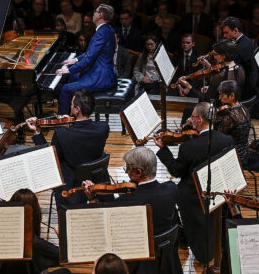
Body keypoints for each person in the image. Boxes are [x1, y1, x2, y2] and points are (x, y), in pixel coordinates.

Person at [155, 102, 234, 263]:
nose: (190, 120)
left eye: (192, 117)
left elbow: (176, 171)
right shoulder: (227, 140)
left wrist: (163, 149)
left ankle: (194, 248)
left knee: (172, 192)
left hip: (193, 195)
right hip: (219, 189)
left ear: (200, 119)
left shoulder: (189, 147)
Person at [84, 147, 182, 274]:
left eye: (128, 168)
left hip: (139, 261)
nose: (126, 172)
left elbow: (104, 226)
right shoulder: (171, 188)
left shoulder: (125, 202)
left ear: (138, 172)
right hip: (168, 255)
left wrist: (92, 199)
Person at [26, 89, 110, 208]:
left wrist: (37, 132)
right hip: (97, 180)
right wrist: (72, 124)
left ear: (77, 109)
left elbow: (50, 159)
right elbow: (83, 135)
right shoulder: (103, 128)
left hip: (72, 188)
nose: (70, 106)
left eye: (71, 104)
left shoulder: (61, 133)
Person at [56, 4, 117, 115]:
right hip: (105, 74)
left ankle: (62, 121)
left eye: (95, 12)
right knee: (73, 77)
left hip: (100, 77)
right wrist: (75, 60)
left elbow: (89, 58)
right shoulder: (107, 29)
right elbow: (90, 53)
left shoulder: (101, 32)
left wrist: (69, 70)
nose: (93, 14)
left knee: (65, 89)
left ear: (100, 15)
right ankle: (72, 115)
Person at [0, 188, 59, 274]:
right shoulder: (35, 243)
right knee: (65, 271)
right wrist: (61, 238)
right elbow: (63, 257)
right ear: (36, 212)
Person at [178, 40, 245, 103]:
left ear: (224, 56)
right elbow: (230, 88)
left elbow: (206, 98)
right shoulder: (240, 69)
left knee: (188, 110)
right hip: (235, 106)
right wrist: (216, 88)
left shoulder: (219, 76)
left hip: (219, 109)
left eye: (215, 54)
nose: (214, 57)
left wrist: (189, 86)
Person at [215, 80, 259, 170]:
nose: (219, 98)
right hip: (245, 152)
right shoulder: (244, 108)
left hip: (234, 157)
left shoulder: (230, 117)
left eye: (221, 95)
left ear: (232, 96)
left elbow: (218, 138)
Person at [221, 16, 258, 99]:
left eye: (226, 33)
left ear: (235, 31)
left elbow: (232, 71)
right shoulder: (246, 40)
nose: (224, 36)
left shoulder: (241, 47)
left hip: (245, 89)